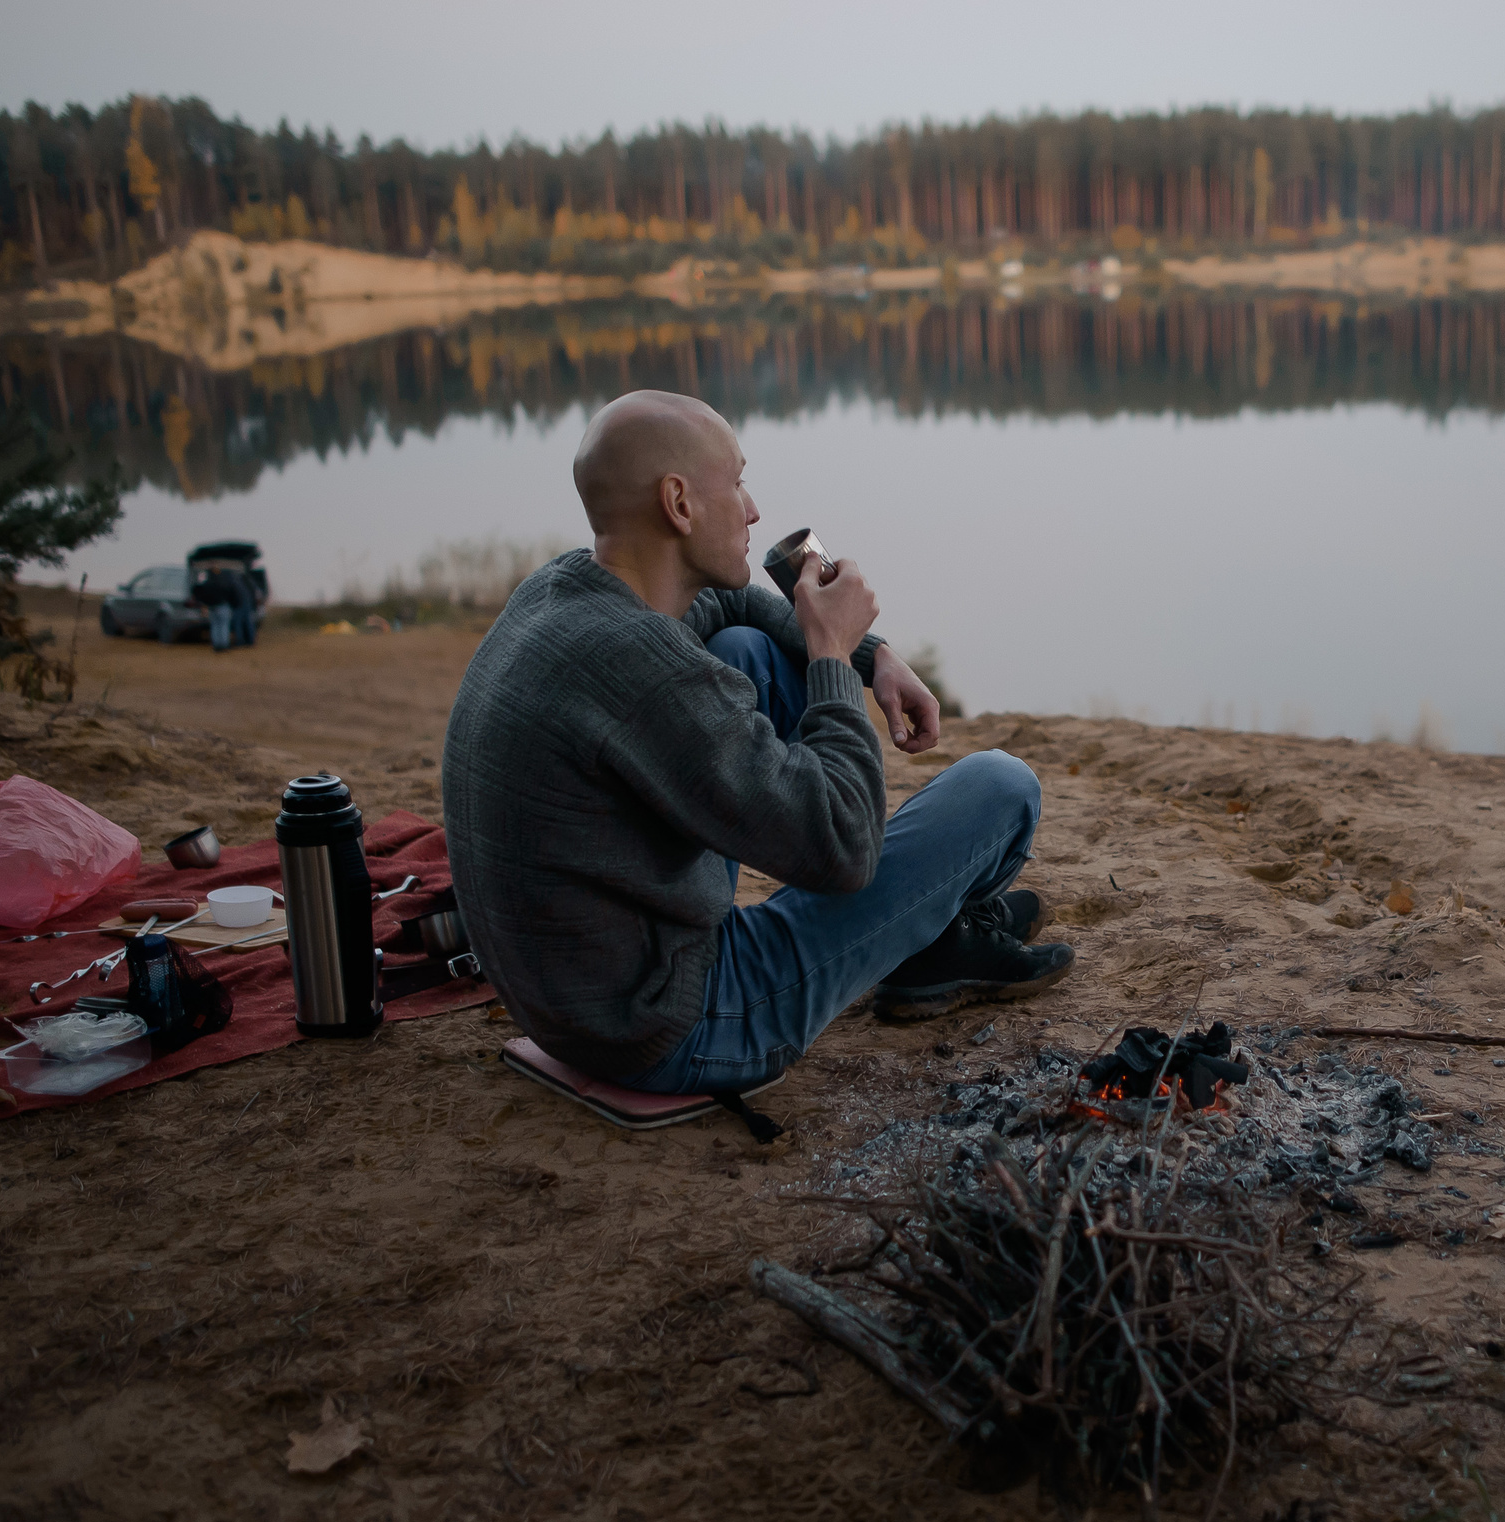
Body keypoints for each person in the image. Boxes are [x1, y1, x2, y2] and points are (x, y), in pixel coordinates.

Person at [441, 390, 1075, 1098]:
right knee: (1001, 787)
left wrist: (875, 656)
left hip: (573, 1002)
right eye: (737, 481)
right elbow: (847, 846)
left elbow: (732, 603)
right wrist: (831, 655)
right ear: (679, 504)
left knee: (742, 645)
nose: (753, 509)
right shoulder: (647, 671)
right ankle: (926, 942)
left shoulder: (562, 591)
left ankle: (928, 939)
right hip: (677, 1023)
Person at [192, 564, 239, 652]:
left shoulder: (207, 583)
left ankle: (216, 645)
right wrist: (234, 604)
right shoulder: (224, 582)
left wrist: (204, 603)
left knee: (215, 626)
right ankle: (224, 645)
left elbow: (198, 591)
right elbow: (232, 593)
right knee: (224, 626)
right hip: (223, 606)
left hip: (212, 607)